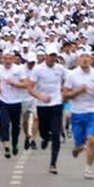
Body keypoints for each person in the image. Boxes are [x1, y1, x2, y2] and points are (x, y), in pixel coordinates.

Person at [63, 46, 94, 180]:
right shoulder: (72, 75)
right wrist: (77, 92)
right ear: (78, 59)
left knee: (92, 140)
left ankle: (88, 168)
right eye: (82, 57)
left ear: (91, 59)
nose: (85, 59)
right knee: (79, 144)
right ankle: (78, 148)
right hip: (77, 112)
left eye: (87, 57)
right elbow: (65, 95)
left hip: (93, 111)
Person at [28, 45, 66, 174]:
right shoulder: (38, 70)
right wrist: (40, 96)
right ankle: (45, 138)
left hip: (56, 103)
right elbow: (30, 88)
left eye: (54, 56)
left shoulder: (60, 69)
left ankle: (53, 163)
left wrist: (65, 93)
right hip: (42, 104)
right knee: (44, 131)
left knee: (56, 134)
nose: (52, 58)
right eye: (50, 55)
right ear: (45, 56)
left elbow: (67, 81)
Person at [0, 50, 28, 159]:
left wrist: (15, 83)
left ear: (14, 59)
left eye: (10, 58)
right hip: (3, 100)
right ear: (2, 59)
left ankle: (14, 144)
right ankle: (6, 146)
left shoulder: (19, 69)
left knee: (15, 125)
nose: (8, 61)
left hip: (16, 101)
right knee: (4, 124)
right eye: (6, 58)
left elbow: (25, 84)